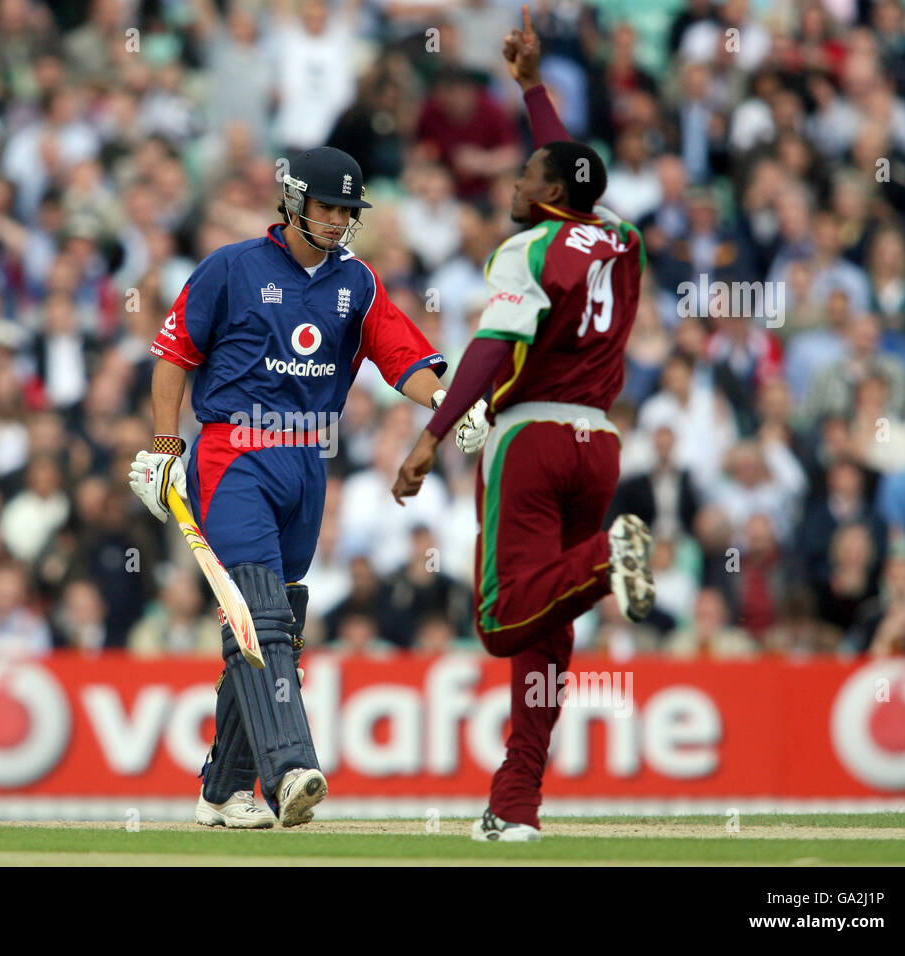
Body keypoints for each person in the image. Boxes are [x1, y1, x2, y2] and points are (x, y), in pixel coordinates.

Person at [129, 146, 487, 828]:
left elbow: (402, 358)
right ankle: (289, 768)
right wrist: (165, 447)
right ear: (293, 201)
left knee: (274, 620)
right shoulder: (231, 268)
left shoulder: (359, 283)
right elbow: (173, 356)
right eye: (328, 206)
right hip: (233, 450)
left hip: (308, 460)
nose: (338, 221)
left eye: (348, 211)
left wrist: (447, 401)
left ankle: (221, 791)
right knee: (259, 609)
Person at [392, 6, 655, 844]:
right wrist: (533, 87)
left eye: (523, 174)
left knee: (502, 622)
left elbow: (487, 348)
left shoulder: (524, 251)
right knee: (547, 632)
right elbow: (578, 169)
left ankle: (608, 558)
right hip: (600, 445)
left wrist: (431, 436)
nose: (511, 183)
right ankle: (515, 805)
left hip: (531, 439)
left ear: (547, 194)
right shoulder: (622, 238)